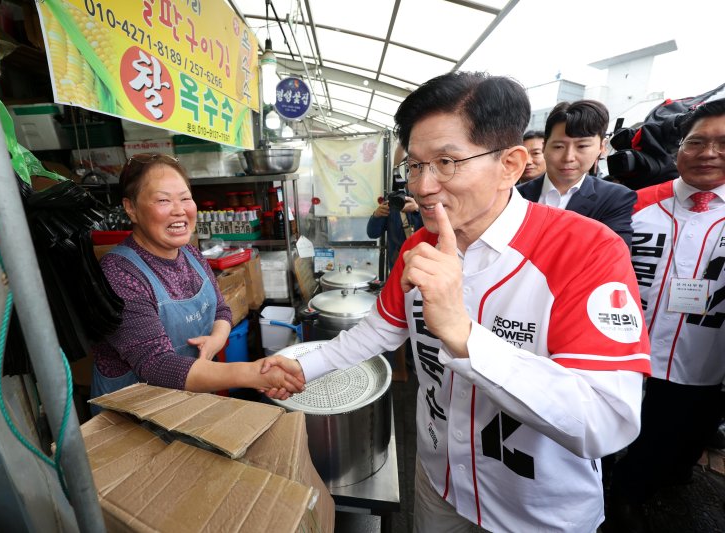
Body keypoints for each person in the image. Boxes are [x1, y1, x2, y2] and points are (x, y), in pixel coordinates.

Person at [263, 71, 650, 532]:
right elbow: (376, 332)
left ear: (510, 164)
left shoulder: (587, 250)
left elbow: (606, 421)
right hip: (440, 480)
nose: (423, 186)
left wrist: (463, 336)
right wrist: (301, 367)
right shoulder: (418, 246)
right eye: (415, 166)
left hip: (537, 510)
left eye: (446, 162)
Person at [89, 153, 303, 413]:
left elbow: (221, 310)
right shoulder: (119, 272)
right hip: (133, 414)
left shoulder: (191, 254)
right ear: (131, 208)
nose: (179, 210)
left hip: (186, 402)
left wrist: (216, 339)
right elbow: (156, 366)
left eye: (185, 198)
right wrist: (253, 374)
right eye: (163, 200)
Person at [608, 99, 725, 532]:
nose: (708, 153)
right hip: (624, 349)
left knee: (676, 434)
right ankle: (616, 498)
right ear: (678, 147)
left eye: (722, 144)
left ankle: (645, 488)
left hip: (703, 356)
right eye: (696, 142)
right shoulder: (633, 204)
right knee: (609, 429)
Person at [517, 100, 638, 248]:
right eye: (559, 146)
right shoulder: (514, 195)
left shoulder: (615, 198)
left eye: (582, 146)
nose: (569, 157)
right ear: (544, 147)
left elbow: (614, 255)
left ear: (602, 147)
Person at [367, 145, 423, 271]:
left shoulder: (428, 200)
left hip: (423, 267)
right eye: (408, 170)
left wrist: (417, 210)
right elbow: (372, 233)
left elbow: (437, 233)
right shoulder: (393, 200)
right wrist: (376, 215)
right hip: (396, 268)